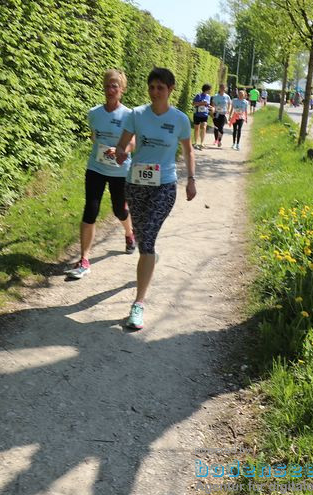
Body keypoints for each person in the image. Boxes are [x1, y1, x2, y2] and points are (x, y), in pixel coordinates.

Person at [114, 67, 196, 330]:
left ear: (170, 89)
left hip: (164, 186)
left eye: (160, 87)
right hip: (136, 184)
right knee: (143, 241)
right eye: (152, 87)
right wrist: (120, 152)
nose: (155, 92)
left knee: (146, 241)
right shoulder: (136, 115)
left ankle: (138, 304)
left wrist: (191, 180)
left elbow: (188, 151)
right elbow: (123, 143)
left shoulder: (180, 119)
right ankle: (149, 256)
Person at [65, 69, 137, 280]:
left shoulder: (128, 115)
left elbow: (133, 142)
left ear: (122, 90)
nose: (110, 90)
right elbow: (94, 136)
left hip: (120, 170)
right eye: (107, 85)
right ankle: (84, 259)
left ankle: (129, 233)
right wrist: (103, 149)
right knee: (91, 209)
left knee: (119, 210)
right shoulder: (94, 113)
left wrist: (122, 150)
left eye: (114, 86)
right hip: (96, 167)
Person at [191, 83, 212, 150]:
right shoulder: (198, 95)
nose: (210, 91)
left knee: (204, 126)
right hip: (197, 114)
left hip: (205, 114)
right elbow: (193, 104)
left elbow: (208, 105)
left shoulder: (209, 96)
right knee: (197, 128)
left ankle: (202, 143)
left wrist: (211, 107)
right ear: (207, 89)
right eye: (209, 89)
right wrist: (201, 103)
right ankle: (195, 142)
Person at [210, 84, 231, 148]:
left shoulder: (227, 96)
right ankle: (216, 139)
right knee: (216, 127)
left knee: (221, 129)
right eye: (221, 88)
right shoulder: (216, 96)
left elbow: (229, 103)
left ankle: (219, 141)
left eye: (223, 88)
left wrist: (228, 110)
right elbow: (213, 105)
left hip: (222, 114)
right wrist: (212, 111)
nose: (222, 89)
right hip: (216, 114)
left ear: (225, 89)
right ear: (219, 88)